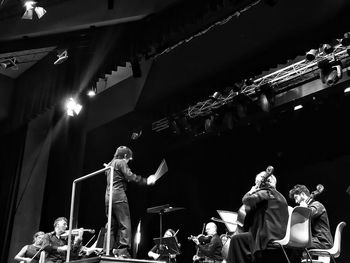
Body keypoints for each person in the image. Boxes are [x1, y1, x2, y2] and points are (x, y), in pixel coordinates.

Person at [105, 146, 156, 258]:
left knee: (112, 224)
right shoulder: (121, 162)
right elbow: (129, 176)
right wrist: (146, 181)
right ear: (125, 156)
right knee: (125, 223)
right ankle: (122, 251)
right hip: (118, 195)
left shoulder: (110, 163)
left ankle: (107, 249)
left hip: (108, 197)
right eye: (128, 159)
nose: (128, 161)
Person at [227, 171, 289, 263]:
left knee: (236, 240)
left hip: (267, 236)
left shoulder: (266, 192)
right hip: (280, 235)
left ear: (265, 182)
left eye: (257, 182)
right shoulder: (280, 196)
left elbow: (246, 200)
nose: (256, 185)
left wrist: (251, 191)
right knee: (244, 239)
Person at [289, 184, 333, 249]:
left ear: (303, 194)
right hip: (315, 241)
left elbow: (308, 216)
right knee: (294, 245)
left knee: (297, 246)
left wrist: (304, 208)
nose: (296, 201)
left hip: (323, 242)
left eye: (296, 198)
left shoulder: (317, 205)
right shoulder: (310, 207)